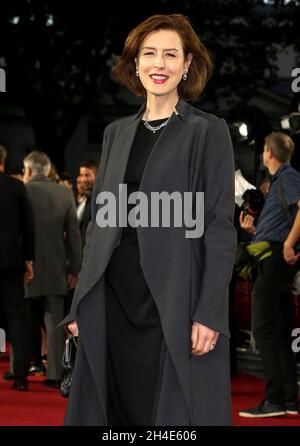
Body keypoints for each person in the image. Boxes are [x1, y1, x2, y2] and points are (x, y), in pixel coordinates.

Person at [63, 14, 236, 426]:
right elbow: (99, 226)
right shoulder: (115, 133)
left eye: (171, 54)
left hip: (173, 296)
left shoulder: (208, 132)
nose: (160, 64)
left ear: (188, 64)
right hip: (113, 294)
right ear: (135, 63)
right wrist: (78, 305)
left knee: (169, 411)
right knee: (115, 407)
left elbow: (218, 227)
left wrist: (210, 311)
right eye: (150, 54)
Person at [239, 132, 300, 418]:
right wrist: (254, 231)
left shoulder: (288, 177)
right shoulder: (281, 182)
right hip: (274, 256)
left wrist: (289, 243)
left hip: (276, 259)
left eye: (263, 149)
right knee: (277, 331)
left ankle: (275, 399)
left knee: (264, 329)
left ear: (268, 153)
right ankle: (288, 399)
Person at [23, 151, 81, 388]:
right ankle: (55, 373)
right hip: (57, 267)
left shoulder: (22, 192)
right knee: (54, 321)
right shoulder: (65, 193)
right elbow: (74, 237)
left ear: (27, 170)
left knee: (22, 320)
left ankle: (20, 368)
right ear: (48, 171)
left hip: (26, 268)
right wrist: (76, 269)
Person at [0, 145, 35, 391]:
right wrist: (29, 260)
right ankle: (21, 375)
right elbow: (28, 226)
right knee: (17, 318)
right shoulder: (16, 187)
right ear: (3, 160)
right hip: (10, 260)